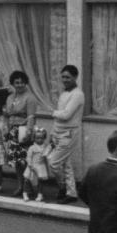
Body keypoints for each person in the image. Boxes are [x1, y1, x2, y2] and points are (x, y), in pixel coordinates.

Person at [48, 64, 84, 204]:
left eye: (68, 77)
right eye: (63, 77)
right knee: (66, 164)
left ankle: (62, 186)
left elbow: (66, 115)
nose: (65, 79)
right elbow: (60, 117)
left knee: (54, 163)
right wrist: (52, 132)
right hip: (58, 131)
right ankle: (71, 193)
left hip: (69, 132)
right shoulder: (64, 93)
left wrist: (53, 113)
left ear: (75, 77)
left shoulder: (78, 94)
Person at [4, 71, 37, 197]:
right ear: (12, 83)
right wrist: (6, 129)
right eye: (16, 82)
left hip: (24, 131)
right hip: (13, 132)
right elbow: (6, 115)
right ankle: (20, 185)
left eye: (22, 82)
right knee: (17, 162)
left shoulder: (30, 97)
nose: (19, 85)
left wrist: (28, 132)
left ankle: (29, 187)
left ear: (26, 82)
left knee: (26, 161)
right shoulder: (10, 97)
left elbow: (31, 117)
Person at [22, 127, 51, 202]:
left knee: (40, 181)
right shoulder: (32, 147)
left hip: (41, 166)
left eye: (41, 138)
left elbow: (47, 156)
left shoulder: (45, 147)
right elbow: (28, 157)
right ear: (34, 138)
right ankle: (25, 193)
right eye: (37, 138)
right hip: (32, 166)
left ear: (44, 138)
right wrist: (30, 164)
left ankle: (40, 194)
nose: (39, 140)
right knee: (27, 180)